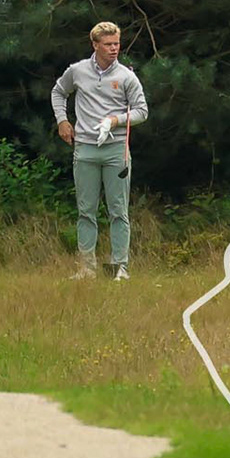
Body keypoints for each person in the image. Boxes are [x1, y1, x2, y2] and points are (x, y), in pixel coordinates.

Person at [51, 20, 148, 280]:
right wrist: (62, 120)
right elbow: (59, 92)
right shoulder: (78, 70)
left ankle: (120, 266)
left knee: (118, 210)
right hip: (85, 147)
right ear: (95, 45)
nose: (114, 49)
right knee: (86, 210)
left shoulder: (126, 76)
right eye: (108, 44)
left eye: (116, 43)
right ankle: (87, 268)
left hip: (116, 148)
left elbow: (142, 111)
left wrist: (116, 120)